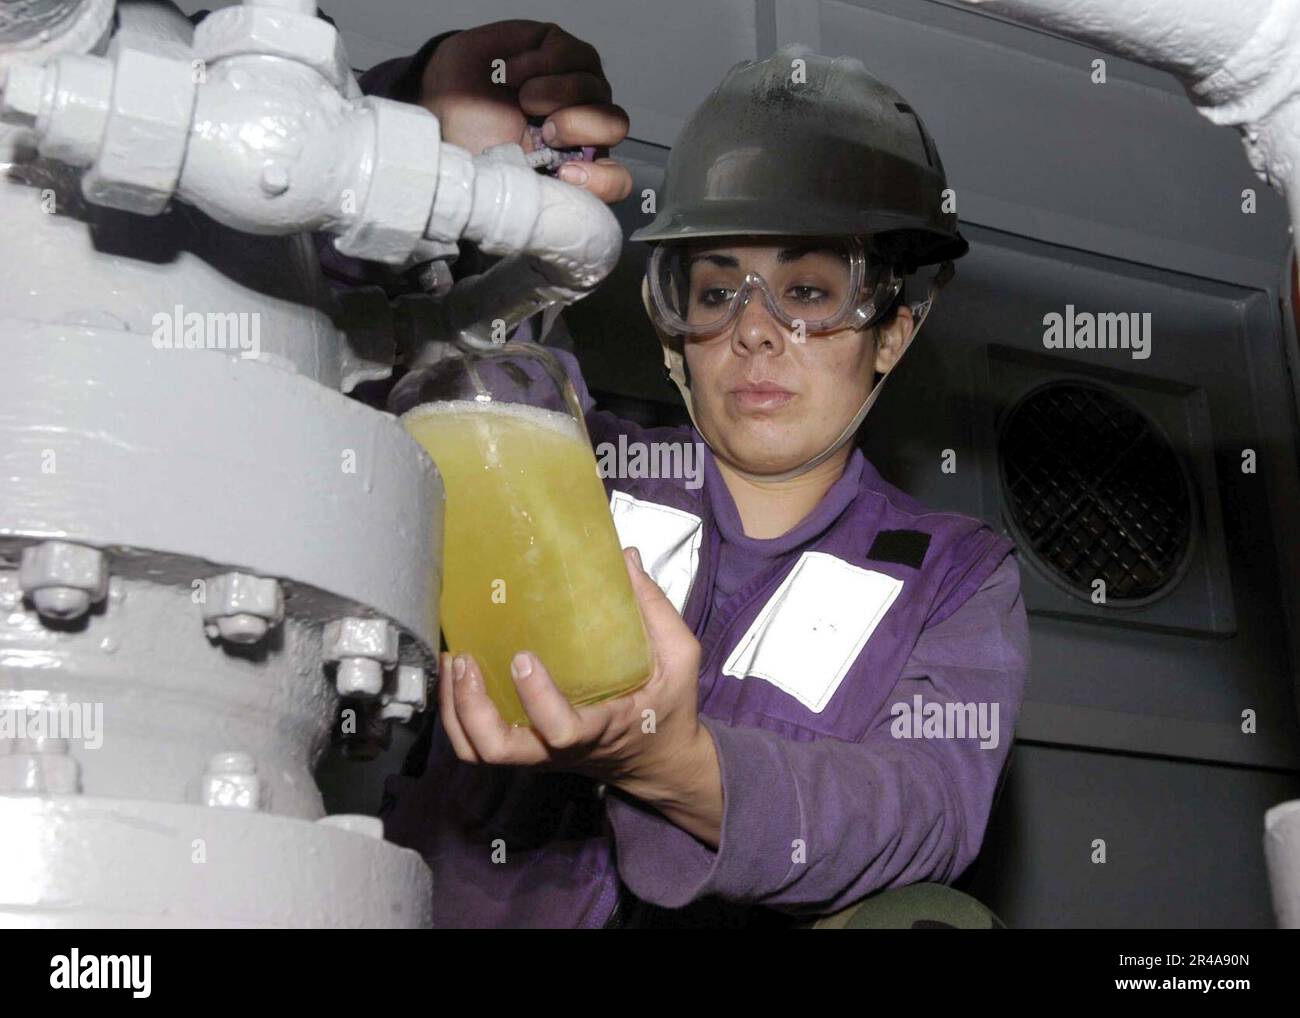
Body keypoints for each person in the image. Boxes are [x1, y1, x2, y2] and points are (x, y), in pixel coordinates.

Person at [349, 22, 1030, 929]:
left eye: (810, 291)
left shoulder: (951, 574)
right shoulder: (566, 455)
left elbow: (924, 808)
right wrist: (437, 143)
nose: (755, 330)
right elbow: (428, 355)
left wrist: (673, 767)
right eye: (717, 292)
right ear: (676, 326)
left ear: (891, 332)